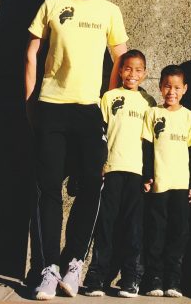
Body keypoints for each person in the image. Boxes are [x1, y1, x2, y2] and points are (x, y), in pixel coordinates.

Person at [25, 0, 128, 300]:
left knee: (91, 185)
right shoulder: (52, 5)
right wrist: (30, 102)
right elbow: (31, 54)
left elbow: (122, 58)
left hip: (89, 109)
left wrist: (108, 99)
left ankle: (74, 262)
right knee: (49, 188)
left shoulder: (109, 11)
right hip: (52, 104)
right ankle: (48, 268)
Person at [83, 49, 152, 299]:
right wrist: (97, 165)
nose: (132, 74)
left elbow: (150, 143)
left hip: (136, 173)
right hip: (111, 170)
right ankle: (97, 277)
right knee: (106, 225)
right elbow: (98, 135)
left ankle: (131, 277)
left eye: (138, 70)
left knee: (133, 227)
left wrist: (149, 175)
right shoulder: (109, 97)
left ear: (144, 74)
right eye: (127, 69)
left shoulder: (149, 103)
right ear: (120, 71)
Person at [142, 64, 191, 296]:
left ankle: (173, 279)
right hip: (159, 185)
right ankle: (154, 277)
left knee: (178, 232)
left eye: (176, 87)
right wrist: (147, 176)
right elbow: (146, 147)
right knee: (157, 231)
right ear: (160, 87)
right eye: (167, 86)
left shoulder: (189, 117)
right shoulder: (153, 113)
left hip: (181, 185)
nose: (171, 92)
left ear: (184, 89)